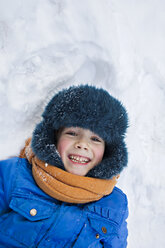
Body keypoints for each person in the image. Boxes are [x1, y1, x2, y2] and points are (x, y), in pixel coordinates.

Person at [0, 84, 129, 248]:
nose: (82, 144)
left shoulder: (115, 204)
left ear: (108, 150)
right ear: (54, 138)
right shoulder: (12, 176)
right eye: (72, 133)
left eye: (95, 139)